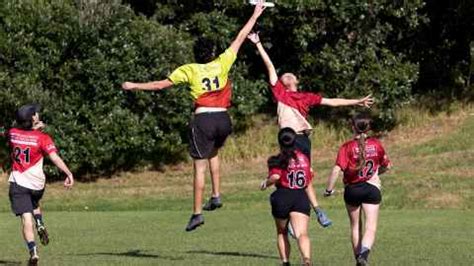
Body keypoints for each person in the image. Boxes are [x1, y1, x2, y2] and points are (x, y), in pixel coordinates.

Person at [122, 3, 267, 231]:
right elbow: (240, 36)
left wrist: (134, 85)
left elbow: (160, 85)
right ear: (212, 53)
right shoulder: (223, 62)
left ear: (196, 54)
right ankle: (217, 195)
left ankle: (197, 213)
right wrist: (256, 13)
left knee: (199, 167)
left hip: (204, 121)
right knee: (214, 154)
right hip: (224, 121)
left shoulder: (189, 69)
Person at [248, 32, 374, 228]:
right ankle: (314, 211)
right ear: (283, 82)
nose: (287, 75)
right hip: (289, 139)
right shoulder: (279, 92)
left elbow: (332, 102)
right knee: (292, 175)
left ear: (296, 81)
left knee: (303, 176)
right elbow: (270, 66)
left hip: (303, 139)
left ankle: (303, 214)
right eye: (284, 76)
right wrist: (258, 44)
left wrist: (357, 101)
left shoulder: (306, 97)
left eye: (291, 75)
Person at [7, 104, 74, 265]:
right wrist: (68, 173)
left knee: (25, 217)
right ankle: (40, 222)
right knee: (34, 202)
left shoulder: (12, 134)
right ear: (32, 119)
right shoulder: (43, 138)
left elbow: (21, 133)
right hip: (37, 185)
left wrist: (34, 127)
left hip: (19, 182)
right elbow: (55, 158)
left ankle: (33, 252)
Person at [324, 112, 391, 266]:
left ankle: (358, 260)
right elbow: (387, 166)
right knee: (371, 227)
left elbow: (336, 170)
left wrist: (329, 190)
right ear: (369, 128)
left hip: (352, 189)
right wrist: (376, 172)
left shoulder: (346, 147)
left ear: (353, 127)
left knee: (355, 227)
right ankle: (364, 256)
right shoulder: (376, 144)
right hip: (371, 189)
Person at [260, 127, 323, 266]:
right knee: (302, 233)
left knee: (282, 232)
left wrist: (265, 183)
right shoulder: (303, 158)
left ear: (280, 142)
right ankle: (306, 259)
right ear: (295, 141)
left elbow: (275, 176)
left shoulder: (276, 159)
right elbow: (309, 179)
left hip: (283, 196)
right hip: (300, 196)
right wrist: (317, 206)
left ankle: (285, 261)